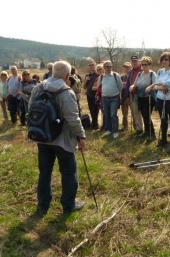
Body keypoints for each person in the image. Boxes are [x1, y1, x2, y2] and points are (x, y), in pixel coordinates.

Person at [28, 60, 86, 216]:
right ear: (67, 75)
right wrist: (81, 136)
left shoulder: (38, 88)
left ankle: (42, 206)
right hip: (63, 141)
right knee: (68, 173)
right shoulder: (67, 92)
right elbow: (73, 119)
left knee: (44, 173)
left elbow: (31, 110)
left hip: (42, 138)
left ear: (52, 72)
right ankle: (68, 205)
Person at [146, 52, 170, 147]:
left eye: (166, 59)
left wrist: (155, 85)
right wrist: (159, 86)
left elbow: (169, 82)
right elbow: (161, 86)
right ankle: (163, 139)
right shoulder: (160, 71)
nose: (164, 61)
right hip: (160, 98)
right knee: (163, 118)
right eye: (163, 59)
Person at [132, 56, 157, 140]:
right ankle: (147, 131)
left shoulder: (152, 74)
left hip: (149, 97)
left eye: (146, 64)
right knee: (143, 115)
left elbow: (156, 85)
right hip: (141, 97)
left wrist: (150, 87)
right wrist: (131, 87)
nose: (144, 66)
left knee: (146, 114)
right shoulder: (139, 74)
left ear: (149, 65)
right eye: (142, 64)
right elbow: (135, 84)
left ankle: (152, 133)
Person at [97, 60, 123, 139]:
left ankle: (115, 131)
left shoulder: (116, 75)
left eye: (110, 66)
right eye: (107, 67)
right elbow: (98, 86)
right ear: (104, 68)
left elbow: (120, 86)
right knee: (107, 114)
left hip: (114, 98)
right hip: (104, 98)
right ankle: (109, 130)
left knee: (113, 114)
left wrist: (116, 93)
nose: (109, 68)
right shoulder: (101, 77)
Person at [125, 55, 144, 134]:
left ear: (139, 61)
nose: (134, 62)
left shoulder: (143, 70)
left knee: (144, 112)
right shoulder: (130, 72)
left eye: (136, 61)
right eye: (133, 61)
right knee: (135, 112)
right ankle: (139, 129)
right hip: (133, 94)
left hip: (143, 94)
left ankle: (148, 130)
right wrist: (127, 95)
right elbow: (128, 84)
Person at [83, 61, 99, 129]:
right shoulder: (87, 75)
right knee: (91, 109)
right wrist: (86, 80)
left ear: (95, 65)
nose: (91, 66)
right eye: (90, 65)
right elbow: (84, 87)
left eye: (93, 65)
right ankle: (93, 123)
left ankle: (95, 124)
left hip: (95, 95)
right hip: (89, 95)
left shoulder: (98, 75)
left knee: (95, 109)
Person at [120, 62, 132, 131]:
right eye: (125, 67)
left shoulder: (132, 76)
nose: (126, 68)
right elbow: (118, 86)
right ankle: (125, 127)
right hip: (123, 96)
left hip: (131, 96)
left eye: (127, 67)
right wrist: (122, 85)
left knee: (134, 113)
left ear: (130, 67)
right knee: (124, 113)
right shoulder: (122, 77)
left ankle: (137, 128)